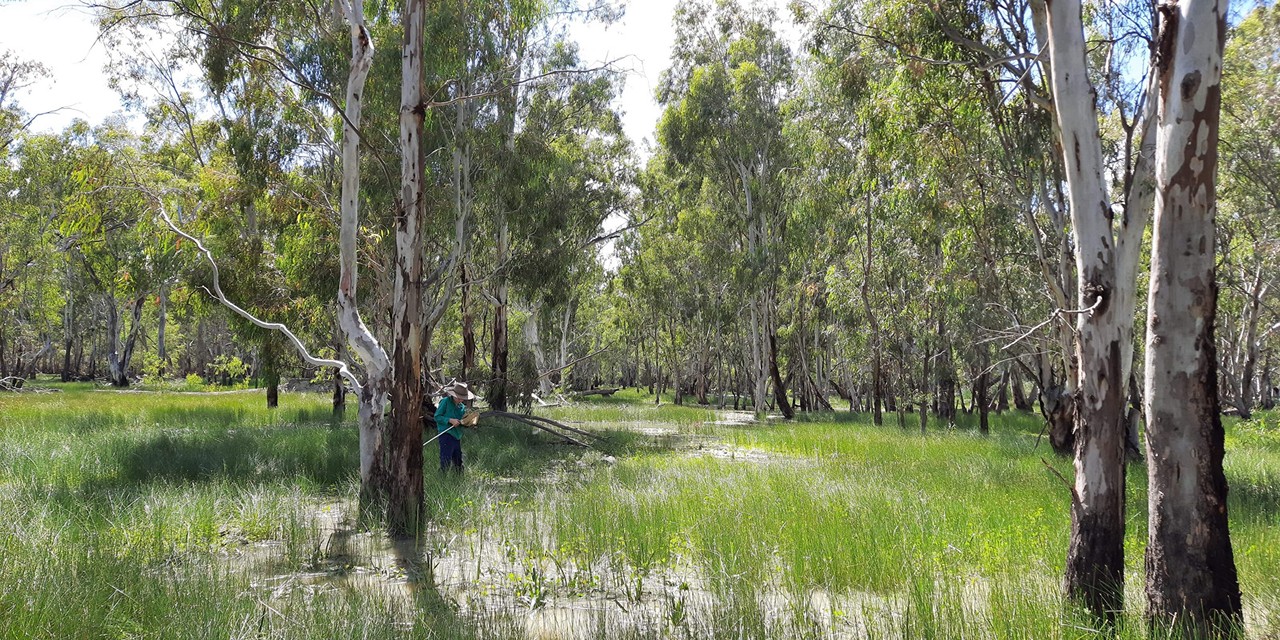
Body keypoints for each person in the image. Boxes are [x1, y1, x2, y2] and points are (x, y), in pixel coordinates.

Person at [434, 381, 476, 473]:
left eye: (463, 398)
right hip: (445, 434)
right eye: (459, 398)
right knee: (446, 459)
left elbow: (461, 421)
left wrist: (468, 423)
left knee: (458, 460)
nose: (461, 400)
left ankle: (458, 479)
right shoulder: (445, 402)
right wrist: (450, 420)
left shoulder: (461, 407)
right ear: (454, 394)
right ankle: (442, 478)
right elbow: (437, 417)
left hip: (457, 436)